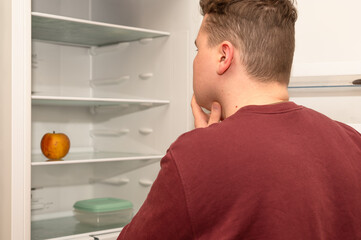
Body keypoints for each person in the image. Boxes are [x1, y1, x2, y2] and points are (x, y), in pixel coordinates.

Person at [117, 0, 361, 239]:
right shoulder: (352, 141)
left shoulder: (194, 154)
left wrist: (205, 150)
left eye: (198, 48)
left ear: (224, 56)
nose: (195, 59)